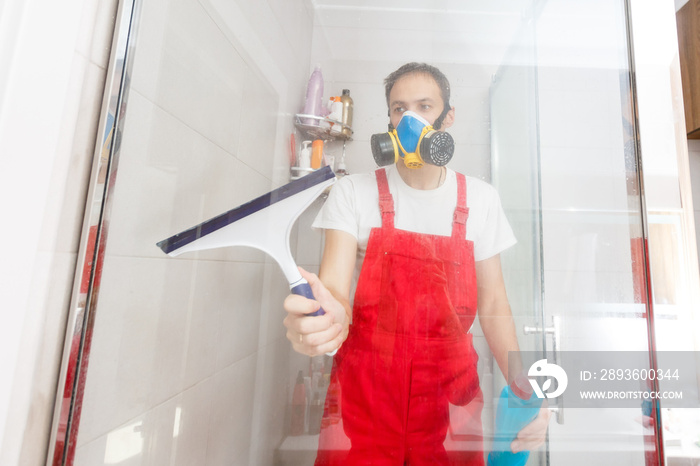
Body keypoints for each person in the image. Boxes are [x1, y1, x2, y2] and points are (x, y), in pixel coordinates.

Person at [283, 62, 550, 465]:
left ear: (448, 116)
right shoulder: (353, 193)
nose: (410, 120)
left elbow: (495, 308)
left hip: (451, 403)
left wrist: (528, 393)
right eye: (398, 109)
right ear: (389, 118)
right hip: (364, 398)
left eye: (424, 106)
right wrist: (323, 322)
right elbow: (335, 293)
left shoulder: (480, 199)